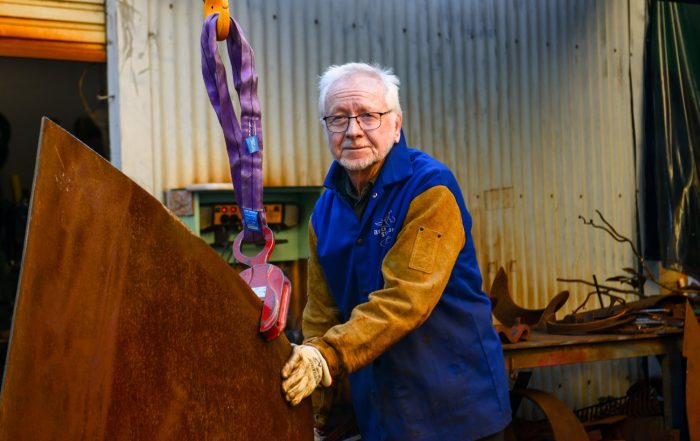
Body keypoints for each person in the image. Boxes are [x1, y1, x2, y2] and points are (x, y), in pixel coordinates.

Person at [281, 62, 511, 441]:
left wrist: (327, 357)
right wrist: (321, 411)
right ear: (326, 129)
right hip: (383, 418)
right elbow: (321, 313)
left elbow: (407, 298)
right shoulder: (324, 212)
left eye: (368, 116)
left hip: (456, 414)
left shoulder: (430, 190)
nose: (353, 131)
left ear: (396, 123)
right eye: (338, 119)